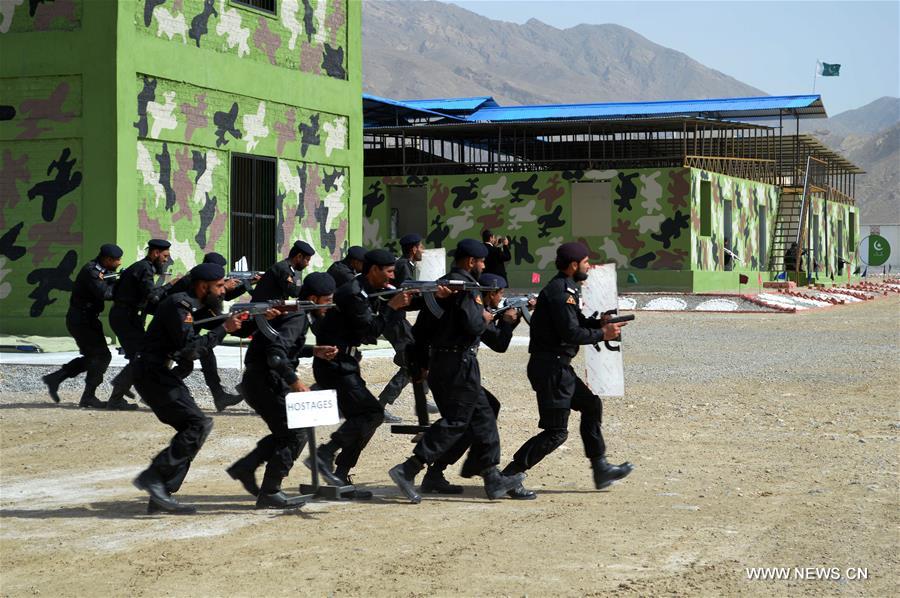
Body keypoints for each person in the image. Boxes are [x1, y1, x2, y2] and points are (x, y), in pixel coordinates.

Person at [388, 239, 527, 504]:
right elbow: (473, 324)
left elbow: (422, 329)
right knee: (456, 421)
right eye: (481, 261)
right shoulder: (464, 289)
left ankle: (490, 476)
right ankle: (408, 469)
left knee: (484, 415)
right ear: (470, 262)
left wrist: (418, 362)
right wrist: (488, 317)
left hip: (446, 363)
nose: (484, 265)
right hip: (458, 364)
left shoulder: (444, 288)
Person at [500, 242, 633, 493]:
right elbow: (570, 333)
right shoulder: (562, 292)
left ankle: (600, 468)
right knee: (556, 432)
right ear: (574, 266)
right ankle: (509, 474)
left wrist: (598, 323)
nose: (588, 266)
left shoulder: (567, 288)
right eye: (585, 262)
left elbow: (575, 322)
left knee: (592, 405)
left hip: (558, 368)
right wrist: (602, 334)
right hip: (551, 369)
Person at [131, 263, 243, 514]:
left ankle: (161, 492)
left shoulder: (194, 307)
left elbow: (209, 330)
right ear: (204, 287)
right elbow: (191, 349)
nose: (225, 290)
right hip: (151, 373)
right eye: (220, 285)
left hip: (158, 373)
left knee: (193, 427)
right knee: (197, 424)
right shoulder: (179, 306)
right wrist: (224, 328)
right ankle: (154, 478)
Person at [308, 249, 417, 498]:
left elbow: (368, 332)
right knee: (371, 413)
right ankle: (325, 454)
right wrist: (391, 306)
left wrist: (397, 304)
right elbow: (370, 331)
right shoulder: (353, 293)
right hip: (334, 364)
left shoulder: (367, 290)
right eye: (388, 271)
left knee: (371, 415)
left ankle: (340, 471)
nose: (392, 275)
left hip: (345, 363)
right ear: (374, 270)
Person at [226, 272, 338, 509]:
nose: (329, 305)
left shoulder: (296, 314)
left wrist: (313, 350)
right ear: (314, 298)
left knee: (284, 431)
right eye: (327, 299)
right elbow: (276, 355)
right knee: (295, 432)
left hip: (260, 379)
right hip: (265, 381)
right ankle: (270, 491)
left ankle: (246, 467)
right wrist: (295, 382)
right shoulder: (297, 316)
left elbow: (282, 347)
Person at [419, 272, 535, 499]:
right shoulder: (468, 311)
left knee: (483, 412)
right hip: (453, 372)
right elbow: (474, 328)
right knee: (475, 417)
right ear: (490, 293)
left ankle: (442, 471)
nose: (500, 299)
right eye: (500, 294)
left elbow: (499, 343)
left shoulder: (479, 311)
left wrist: (510, 322)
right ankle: (487, 473)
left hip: (455, 372)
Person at [165, 252, 251, 412]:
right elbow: (202, 305)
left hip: (188, 330)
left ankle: (219, 396)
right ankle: (158, 390)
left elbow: (221, 296)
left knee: (199, 357)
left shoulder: (200, 281)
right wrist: (227, 326)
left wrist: (246, 284)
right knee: (188, 362)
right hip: (175, 332)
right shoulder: (190, 282)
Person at [42, 243, 123, 408]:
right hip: (81, 320)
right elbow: (106, 293)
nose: (119, 263)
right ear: (107, 260)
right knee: (102, 357)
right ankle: (88, 396)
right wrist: (125, 284)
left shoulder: (104, 270)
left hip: (88, 319)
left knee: (93, 357)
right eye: (117, 260)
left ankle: (56, 378)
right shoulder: (91, 271)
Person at [108, 239, 177, 410]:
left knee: (140, 356)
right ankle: (117, 396)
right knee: (141, 356)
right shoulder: (145, 268)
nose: (166, 260)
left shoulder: (142, 267)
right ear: (155, 253)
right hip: (125, 317)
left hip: (127, 316)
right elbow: (152, 296)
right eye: (165, 256)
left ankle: (124, 387)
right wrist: (171, 285)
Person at [378, 232, 438, 423]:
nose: (423, 251)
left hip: (397, 320)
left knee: (421, 356)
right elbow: (406, 297)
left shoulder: (405, 265)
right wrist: (429, 299)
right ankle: (380, 405)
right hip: (394, 321)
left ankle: (423, 398)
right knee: (409, 362)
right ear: (413, 249)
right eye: (421, 247)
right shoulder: (404, 266)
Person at [250, 240, 315, 302]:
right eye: (307, 260)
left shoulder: (286, 268)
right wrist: (312, 288)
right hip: (263, 310)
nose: (307, 264)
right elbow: (294, 292)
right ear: (299, 256)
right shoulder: (284, 269)